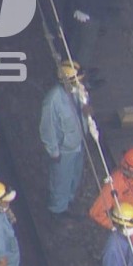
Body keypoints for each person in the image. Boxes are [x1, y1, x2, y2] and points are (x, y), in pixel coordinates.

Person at [39, 60, 88, 217]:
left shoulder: (77, 92)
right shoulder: (52, 100)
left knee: (75, 175)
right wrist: (53, 151)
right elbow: (47, 128)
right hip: (64, 149)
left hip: (78, 143)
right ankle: (57, 210)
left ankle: (69, 201)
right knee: (60, 180)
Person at [89, 149, 133, 261]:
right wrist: (117, 227)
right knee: (128, 258)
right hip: (128, 230)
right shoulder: (114, 185)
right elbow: (95, 212)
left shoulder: (131, 179)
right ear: (130, 169)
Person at [65, 0, 109, 70]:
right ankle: (78, 74)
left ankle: (74, 70)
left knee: (79, 43)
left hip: (89, 11)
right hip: (88, 13)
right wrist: (82, 8)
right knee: (85, 46)